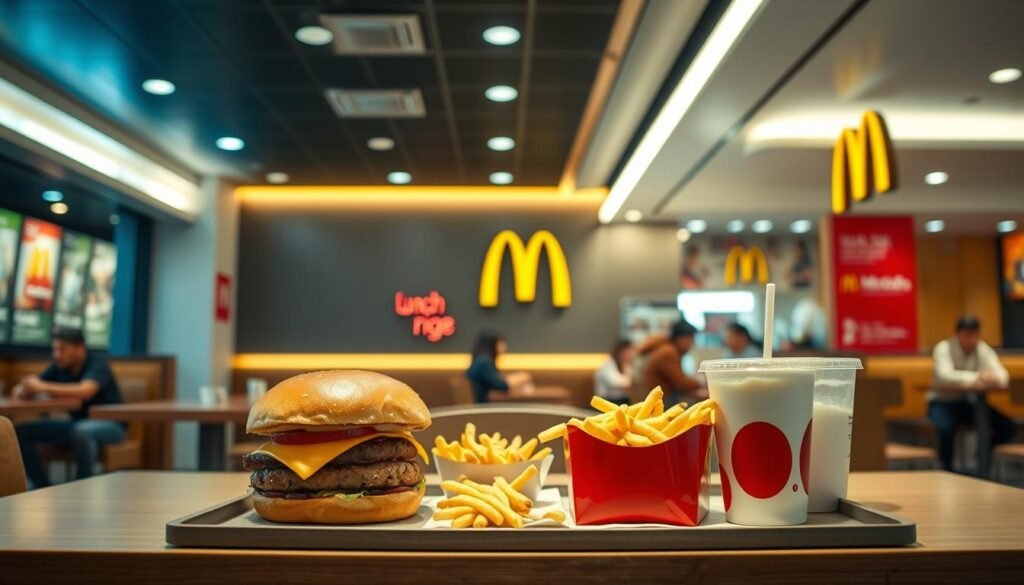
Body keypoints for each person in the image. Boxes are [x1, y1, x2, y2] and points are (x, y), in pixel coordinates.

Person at [15, 327, 124, 487]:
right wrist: (24, 389)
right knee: (22, 431)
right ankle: (42, 487)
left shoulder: (97, 363)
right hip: (76, 425)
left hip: (112, 425)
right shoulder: (60, 366)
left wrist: (44, 387)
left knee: (82, 431)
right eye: (55, 350)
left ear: (79, 348)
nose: (57, 355)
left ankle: (82, 488)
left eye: (62, 349)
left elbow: (86, 390)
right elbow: (33, 384)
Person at [928, 316, 1017, 471]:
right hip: (941, 402)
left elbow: (1003, 376)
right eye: (966, 335)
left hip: (967, 402)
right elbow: (945, 376)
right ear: (957, 334)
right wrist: (979, 376)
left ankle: (983, 459)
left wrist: (993, 377)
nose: (970, 340)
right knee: (946, 427)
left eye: (974, 335)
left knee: (1007, 427)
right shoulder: (944, 348)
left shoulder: (982, 349)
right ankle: (946, 469)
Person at [641, 319, 704, 403]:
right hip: (661, 402)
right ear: (681, 338)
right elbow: (682, 384)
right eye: (690, 339)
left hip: (661, 398)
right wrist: (700, 381)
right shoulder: (668, 353)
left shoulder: (669, 349)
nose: (692, 343)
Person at [465, 330, 531, 403]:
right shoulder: (483, 363)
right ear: (491, 344)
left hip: (482, 405)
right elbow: (502, 386)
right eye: (501, 344)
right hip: (482, 407)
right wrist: (520, 377)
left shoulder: (482, 361)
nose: (505, 347)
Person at [594, 339, 635, 405]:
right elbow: (616, 383)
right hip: (608, 402)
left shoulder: (626, 364)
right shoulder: (608, 363)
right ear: (621, 351)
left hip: (624, 401)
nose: (631, 354)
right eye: (629, 352)